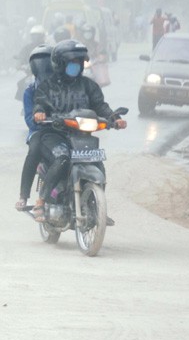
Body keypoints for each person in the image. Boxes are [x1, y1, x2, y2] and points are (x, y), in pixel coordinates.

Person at [30, 40, 127, 221]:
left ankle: (95, 207)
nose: (76, 66)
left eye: (79, 62)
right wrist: (40, 113)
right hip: (54, 133)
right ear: (60, 64)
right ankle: (41, 201)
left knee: (98, 164)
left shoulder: (89, 86)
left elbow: (100, 106)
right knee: (62, 158)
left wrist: (115, 118)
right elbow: (40, 103)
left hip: (81, 135)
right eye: (71, 62)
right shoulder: (48, 86)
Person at [15, 45, 53, 211]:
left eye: (47, 62)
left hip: (63, 130)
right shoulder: (30, 90)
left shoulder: (63, 87)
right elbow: (30, 120)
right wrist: (40, 119)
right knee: (34, 151)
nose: (43, 66)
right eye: (40, 63)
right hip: (39, 131)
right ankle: (24, 196)